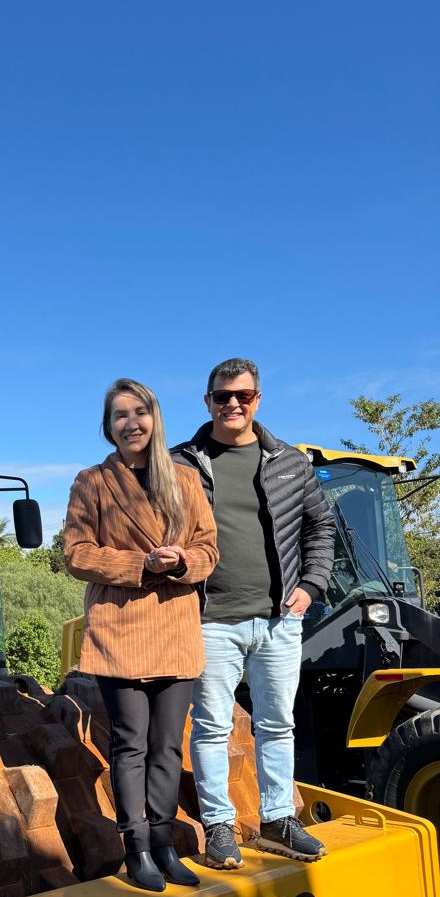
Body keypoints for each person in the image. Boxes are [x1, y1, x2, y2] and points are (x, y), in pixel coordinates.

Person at [171, 358, 336, 867]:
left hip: (279, 620)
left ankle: (277, 820)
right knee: (212, 727)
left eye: (242, 395)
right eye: (223, 396)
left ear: (258, 399)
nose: (233, 404)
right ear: (208, 402)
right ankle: (220, 825)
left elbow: (320, 528)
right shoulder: (180, 463)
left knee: (277, 725)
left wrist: (311, 583)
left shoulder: (289, 462)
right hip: (211, 618)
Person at [64, 379, 219, 892]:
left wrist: (181, 563)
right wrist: (139, 563)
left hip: (176, 628)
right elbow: (76, 554)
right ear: (107, 428)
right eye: (119, 415)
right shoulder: (93, 483)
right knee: (130, 745)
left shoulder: (184, 480)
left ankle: (164, 842)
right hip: (121, 630)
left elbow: (209, 550)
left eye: (139, 412)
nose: (131, 423)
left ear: (154, 419)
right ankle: (136, 850)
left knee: (168, 747)